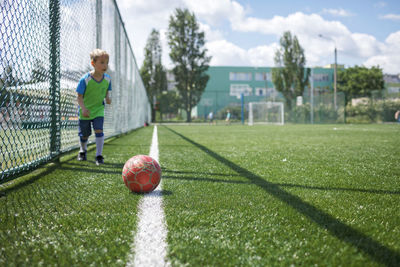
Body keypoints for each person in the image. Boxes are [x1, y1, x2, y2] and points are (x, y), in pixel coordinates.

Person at [76, 49, 112, 165]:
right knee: (85, 134)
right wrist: (83, 108)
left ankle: (99, 156)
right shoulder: (85, 80)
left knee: (99, 130)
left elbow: (107, 90)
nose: (105, 65)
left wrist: (107, 97)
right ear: (93, 63)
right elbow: (79, 97)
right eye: (102, 62)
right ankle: (82, 150)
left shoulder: (107, 79)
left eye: (106, 62)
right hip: (85, 111)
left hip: (99, 110)